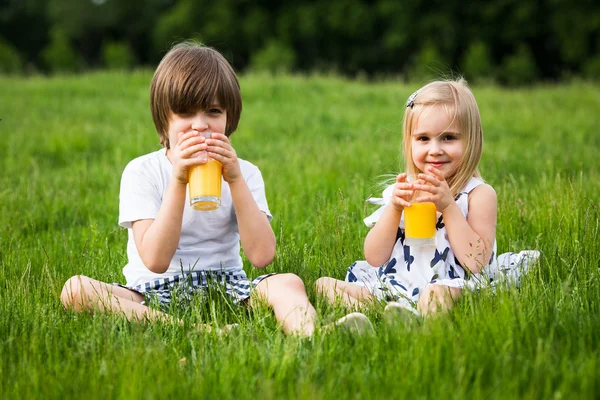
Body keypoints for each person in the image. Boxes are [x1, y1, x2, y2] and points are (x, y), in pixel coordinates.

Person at [60, 41, 371, 336]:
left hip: (227, 285)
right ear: (163, 120)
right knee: (76, 289)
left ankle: (312, 335)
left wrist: (234, 179)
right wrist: (179, 180)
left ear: (229, 118)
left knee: (287, 282)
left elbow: (262, 256)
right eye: (185, 112)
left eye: (213, 111)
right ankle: (194, 330)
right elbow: (154, 260)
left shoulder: (245, 173)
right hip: (152, 289)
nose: (200, 125)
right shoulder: (142, 171)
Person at [316, 78, 539, 318]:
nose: (435, 149)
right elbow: (374, 257)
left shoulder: (478, 195)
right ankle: (380, 315)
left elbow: (476, 262)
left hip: (451, 283)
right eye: (423, 139)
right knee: (323, 285)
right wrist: (394, 209)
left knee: (437, 295)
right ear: (410, 142)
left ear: (472, 140)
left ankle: (421, 326)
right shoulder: (403, 191)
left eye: (448, 138)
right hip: (399, 283)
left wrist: (448, 206)